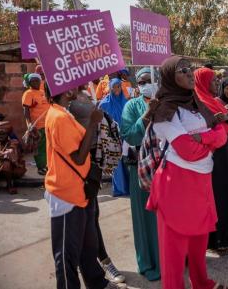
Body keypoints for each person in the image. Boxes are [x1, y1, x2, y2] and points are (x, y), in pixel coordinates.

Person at [144, 56, 228, 289]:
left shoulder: (195, 102)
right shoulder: (164, 109)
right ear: (171, 77)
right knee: (174, 251)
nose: (190, 73)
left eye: (190, 69)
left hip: (201, 182)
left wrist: (203, 137)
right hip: (176, 186)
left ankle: (202, 283)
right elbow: (187, 150)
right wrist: (211, 139)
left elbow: (223, 132)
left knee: (199, 241)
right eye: (183, 70)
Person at [44, 85, 123, 289]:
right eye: (71, 87)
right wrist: (93, 124)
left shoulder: (63, 113)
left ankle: (97, 282)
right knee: (66, 254)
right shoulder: (59, 117)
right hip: (65, 194)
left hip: (79, 190)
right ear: (64, 91)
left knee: (88, 246)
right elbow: (79, 158)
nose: (75, 89)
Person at [69, 83, 126, 284]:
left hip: (93, 161)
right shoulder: (66, 99)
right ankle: (96, 262)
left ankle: (100, 261)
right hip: (75, 164)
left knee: (92, 215)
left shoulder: (85, 92)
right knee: (83, 219)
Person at [120, 67, 161, 282]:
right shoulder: (131, 106)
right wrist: (147, 114)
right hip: (142, 170)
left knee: (168, 216)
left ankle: (172, 257)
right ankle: (149, 263)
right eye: (142, 81)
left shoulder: (167, 102)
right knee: (145, 218)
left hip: (167, 169)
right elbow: (129, 136)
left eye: (150, 80)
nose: (147, 84)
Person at [194, 67, 228, 252]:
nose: (216, 83)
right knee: (215, 197)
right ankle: (217, 241)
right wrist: (218, 121)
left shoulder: (214, 101)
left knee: (227, 193)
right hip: (209, 155)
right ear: (203, 82)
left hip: (223, 152)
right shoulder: (197, 103)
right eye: (212, 80)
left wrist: (226, 118)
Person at [22, 73, 49, 175]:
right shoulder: (28, 93)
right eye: (33, 81)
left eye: (37, 80)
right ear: (29, 83)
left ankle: (46, 166)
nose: (36, 82)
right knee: (39, 147)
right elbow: (26, 110)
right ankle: (40, 167)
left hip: (47, 124)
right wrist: (29, 123)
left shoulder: (42, 92)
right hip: (37, 126)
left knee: (46, 146)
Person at [0, 121, 26, 194]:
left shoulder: (13, 142)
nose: (0, 136)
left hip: (14, 169)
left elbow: (9, 153)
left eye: (3, 134)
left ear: (8, 135)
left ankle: (10, 185)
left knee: (6, 163)